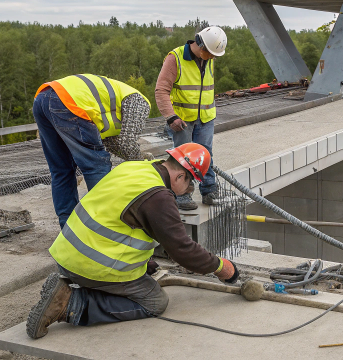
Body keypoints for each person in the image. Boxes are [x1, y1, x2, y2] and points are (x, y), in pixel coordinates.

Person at [26, 142, 239, 339]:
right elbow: (182, 250)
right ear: (180, 176)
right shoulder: (159, 198)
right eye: (191, 184)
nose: (189, 191)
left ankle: (64, 288)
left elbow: (118, 220)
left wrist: (143, 262)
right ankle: (70, 302)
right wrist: (221, 267)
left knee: (144, 277)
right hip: (91, 265)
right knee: (155, 301)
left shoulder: (135, 168)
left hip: (67, 253)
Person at [33, 74, 151, 229]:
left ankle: (69, 231)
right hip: (69, 102)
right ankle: (106, 227)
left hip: (43, 98)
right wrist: (143, 166)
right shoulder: (139, 102)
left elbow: (113, 143)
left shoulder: (112, 99)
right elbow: (127, 142)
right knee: (97, 165)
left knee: (61, 169)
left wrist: (133, 157)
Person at [155, 26, 227, 210]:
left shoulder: (207, 58)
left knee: (206, 155)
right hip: (182, 120)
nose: (212, 58)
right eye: (210, 53)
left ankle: (209, 190)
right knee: (183, 159)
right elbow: (161, 90)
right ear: (201, 45)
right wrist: (171, 117)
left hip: (206, 116)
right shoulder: (175, 58)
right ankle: (182, 195)